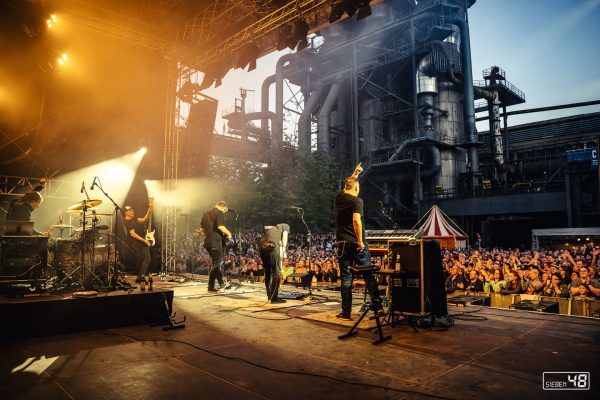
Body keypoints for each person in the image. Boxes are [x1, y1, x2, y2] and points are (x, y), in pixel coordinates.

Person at [334, 162, 382, 320]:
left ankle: (346, 313)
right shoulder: (357, 202)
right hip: (356, 244)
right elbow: (356, 221)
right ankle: (378, 308)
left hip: (341, 244)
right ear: (356, 188)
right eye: (358, 187)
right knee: (368, 275)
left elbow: (348, 184)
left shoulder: (339, 198)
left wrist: (355, 173)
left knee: (346, 279)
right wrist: (361, 241)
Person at [201, 201, 232, 292]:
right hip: (215, 242)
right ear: (223, 207)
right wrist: (229, 234)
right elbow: (221, 227)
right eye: (225, 210)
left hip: (208, 242)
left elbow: (202, 230)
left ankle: (216, 285)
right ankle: (217, 285)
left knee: (216, 264)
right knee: (216, 264)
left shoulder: (205, 214)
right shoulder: (219, 212)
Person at [259, 224, 290, 303]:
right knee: (277, 272)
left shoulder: (272, 229)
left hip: (262, 246)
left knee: (268, 271)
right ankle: (274, 298)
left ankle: (269, 296)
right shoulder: (286, 226)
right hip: (273, 245)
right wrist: (283, 250)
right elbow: (285, 237)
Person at [124, 200, 153, 283]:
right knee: (147, 259)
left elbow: (144, 219)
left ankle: (140, 277)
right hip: (139, 242)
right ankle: (140, 277)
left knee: (144, 259)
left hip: (142, 241)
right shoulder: (127, 221)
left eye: (132, 210)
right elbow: (132, 234)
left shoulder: (133, 219)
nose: (132, 212)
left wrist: (148, 211)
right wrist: (144, 241)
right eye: (130, 211)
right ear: (126, 212)